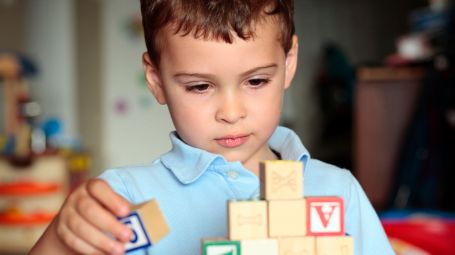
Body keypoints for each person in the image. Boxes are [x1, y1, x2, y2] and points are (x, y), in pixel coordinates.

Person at [30, 0, 394, 254]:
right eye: (200, 86)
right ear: (155, 80)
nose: (231, 112)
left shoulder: (338, 191)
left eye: (255, 82)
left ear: (289, 63)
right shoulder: (123, 201)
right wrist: (63, 240)